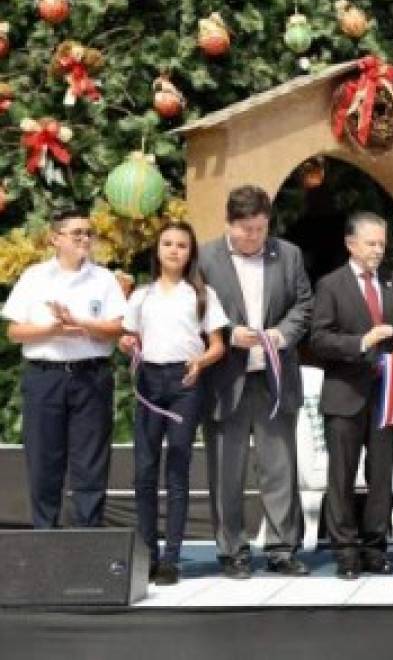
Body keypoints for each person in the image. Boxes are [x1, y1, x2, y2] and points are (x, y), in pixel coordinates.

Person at [199, 185, 314, 579]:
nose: (253, 236)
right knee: (226, 470)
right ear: (229, 223)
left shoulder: (289, 254)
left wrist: (281, 335)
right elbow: (195, 311)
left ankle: (282, 549)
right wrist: (228, 333)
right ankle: (232, 550)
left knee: (279, 467)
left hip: (275, 379)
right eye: (246, 229)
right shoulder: (206, 258)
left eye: (260, 229)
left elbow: (303, 304)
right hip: (225, 378)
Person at [309, 212, 393, 580]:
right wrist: (361, 342)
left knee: (381, 474)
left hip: (385, 394)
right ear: (351, 244)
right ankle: (344, 551)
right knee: (341, 476)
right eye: (371, 243)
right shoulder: (331, 285)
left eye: (382, 244)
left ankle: (375, 548)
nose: (378, 251)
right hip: (345, 394)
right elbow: (319, 339)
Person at [3, 207, 127, 529]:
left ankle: (88, 536)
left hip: (91, 375)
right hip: (45, 376)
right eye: (77, 234)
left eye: (89, 233)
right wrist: (53, 331)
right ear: (55, 238)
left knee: (90, 461)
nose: (85, 239)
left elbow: (117, 329)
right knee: (44, 460)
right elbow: (14, 332)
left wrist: (80, 324)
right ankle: (45, 533)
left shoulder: (104, 279)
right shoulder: (34, 278)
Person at [119, 221, 228, 586]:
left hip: (185, 382)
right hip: (149, 381)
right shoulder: (141, 296)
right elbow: (130, 337)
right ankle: (147, 553)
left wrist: (200, 362)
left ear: (190, 253)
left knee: (177, 468)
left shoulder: (201, 295)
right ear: (157, 250)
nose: (174, 250)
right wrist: (127, 345)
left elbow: (217, 346)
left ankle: (172, 558)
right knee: (144, 470)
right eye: (167, 243)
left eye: (182, 245)